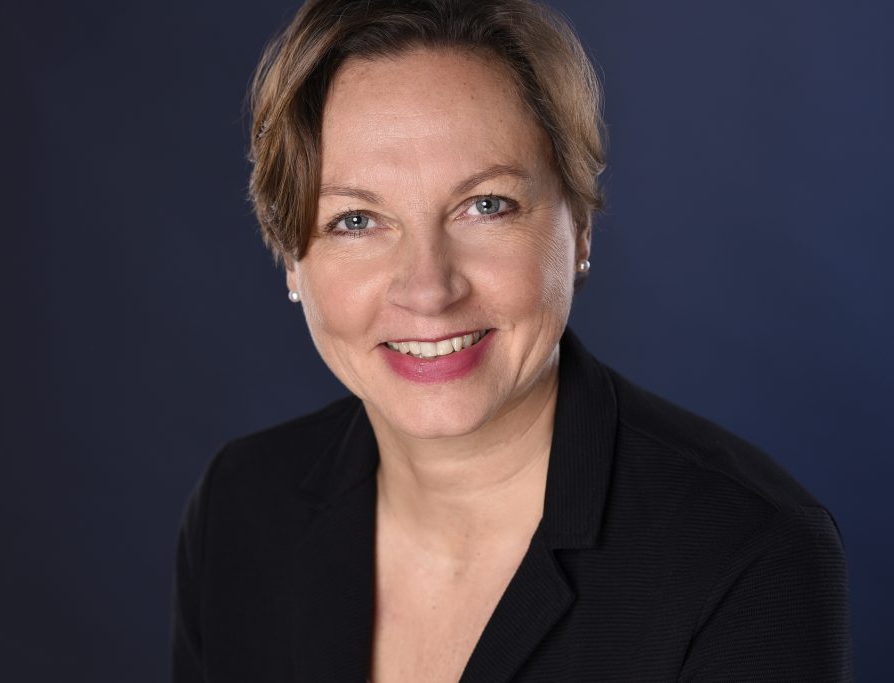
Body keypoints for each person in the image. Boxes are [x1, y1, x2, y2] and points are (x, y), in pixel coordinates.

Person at [172, 0, 852, 680]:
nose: (429, 288)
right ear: (291, 258)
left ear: (579, 226)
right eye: (356, 220)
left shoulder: (747, 554)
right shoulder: (239, 507)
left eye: (486, 205)